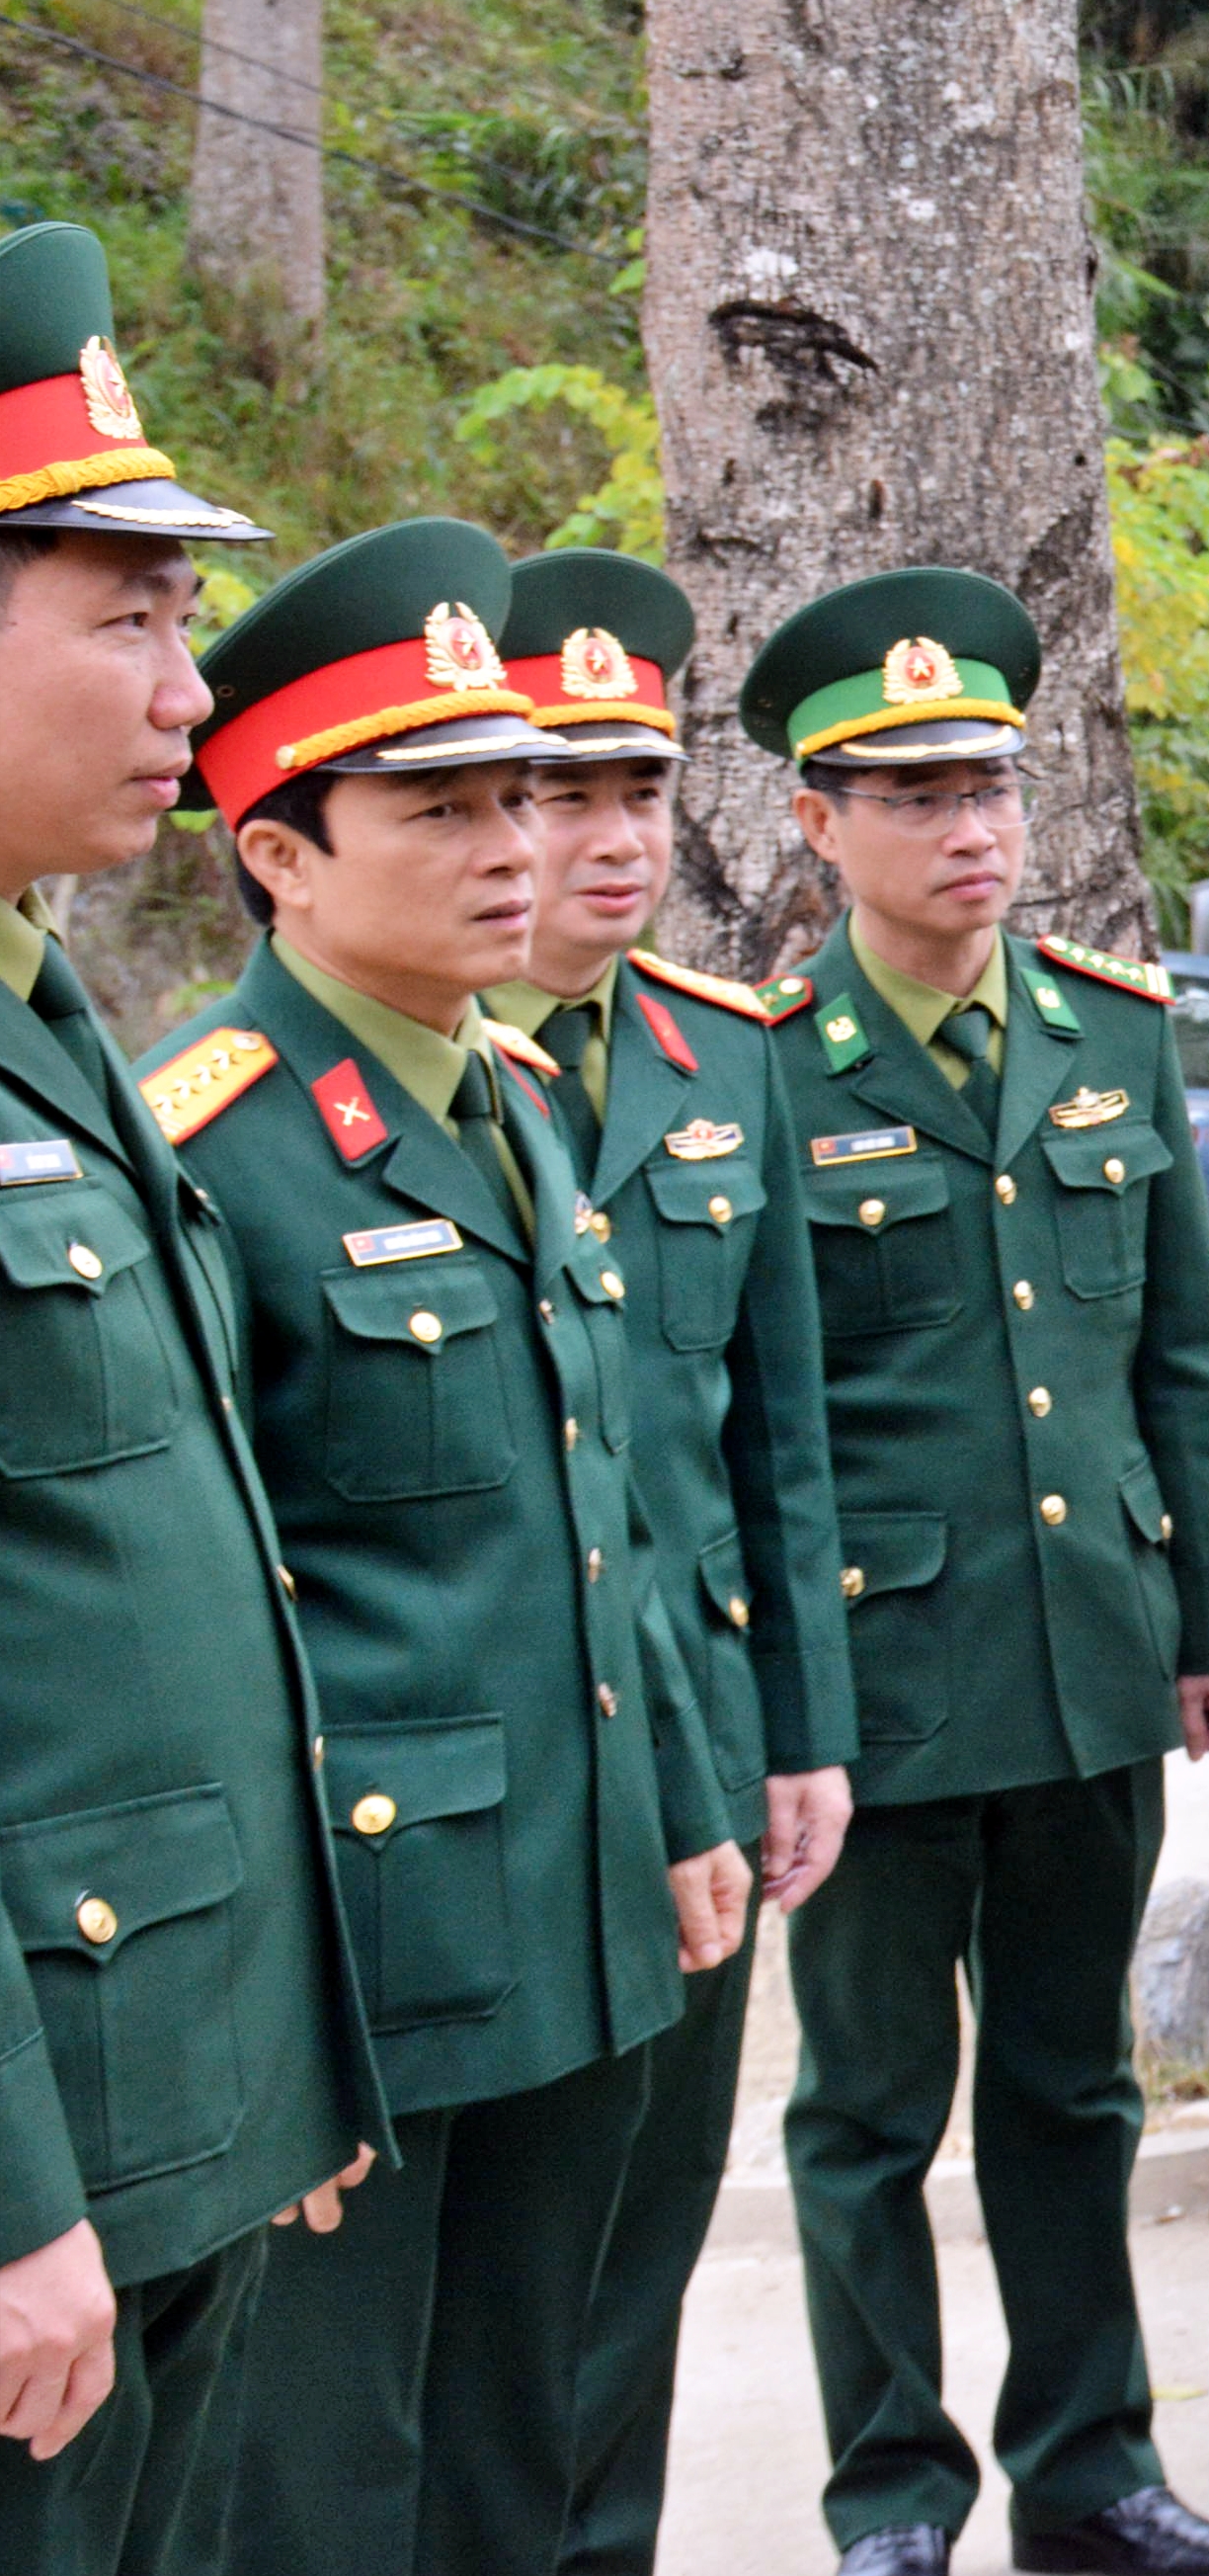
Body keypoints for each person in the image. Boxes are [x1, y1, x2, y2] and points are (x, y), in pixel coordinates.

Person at [157, 515, 752, 2575]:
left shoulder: (510, 1091)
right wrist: (266, 2033)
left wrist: (675, 1795)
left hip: (568, 1918)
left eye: (523, 787)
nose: (515, 837)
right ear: (281, 853)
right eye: (441, 803)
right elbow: (206, 1641)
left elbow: (604, 1512)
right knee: (326, 2486)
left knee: (529, 2448)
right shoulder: (211, 1146)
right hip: (367, 1973)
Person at [738, 568, 1209, 2576]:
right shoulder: (762, 1065)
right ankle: (890, 2493)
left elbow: (1178, 1353)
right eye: (911, 793)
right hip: (883, 1683)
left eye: (991, 785)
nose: (969, 828)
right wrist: (785, 1705)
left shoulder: (1109, 1033)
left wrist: (1207, 1619)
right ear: (817, 821)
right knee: (868, 2117)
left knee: (1074, 2089)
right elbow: (759, 1420)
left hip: (1087, 1660)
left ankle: (1091, 2469)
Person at [0, 216, 382, 2576]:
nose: (184, 681)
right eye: (125, 616)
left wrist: (282, 2067)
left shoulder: (58, 1029)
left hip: (173, 2100)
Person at [478, 545, 862, 2576]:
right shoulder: (411, 1072)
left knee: (639, 2264)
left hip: (701, 1750)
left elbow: (773, 1439)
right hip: (499, 1777)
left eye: (638, 787)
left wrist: (800, 1728)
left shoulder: (729, 1050)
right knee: (486, 2306)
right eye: (555, 787)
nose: (612, 836)